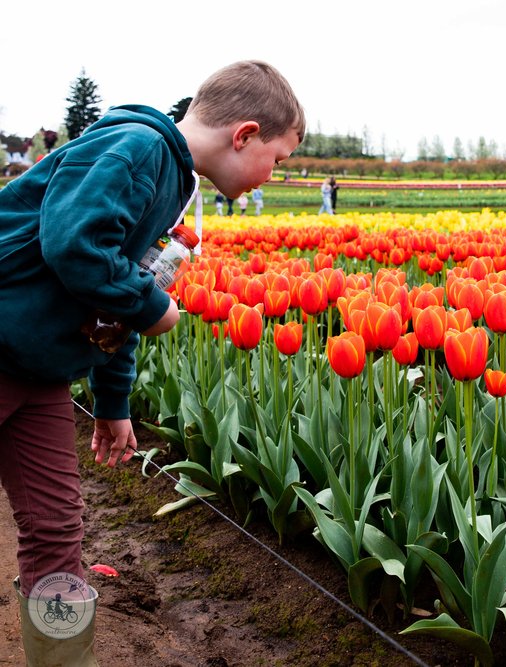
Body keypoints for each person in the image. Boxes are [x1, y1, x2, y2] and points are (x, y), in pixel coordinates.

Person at [0, 59, 304, 664]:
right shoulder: (133, 147)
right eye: (279, 158)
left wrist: (114, 404)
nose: (276, 174)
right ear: (243, 134)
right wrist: (151, 305)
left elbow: (109, 298)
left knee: (58, 525)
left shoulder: (172, 183)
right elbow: (73, 244)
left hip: (40, 376)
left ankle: (63, 661)